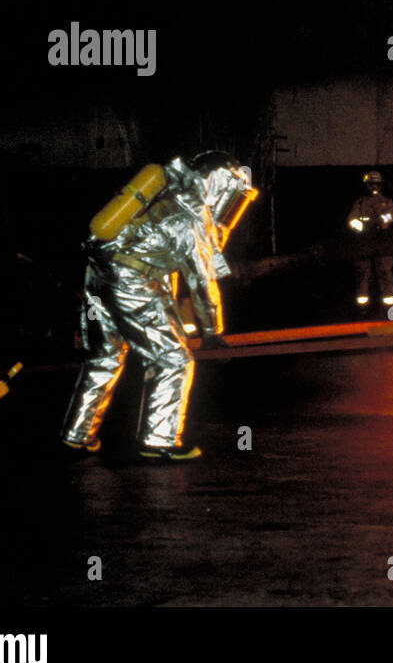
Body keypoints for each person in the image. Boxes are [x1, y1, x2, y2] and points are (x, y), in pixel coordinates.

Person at [60, 151, 255, 461]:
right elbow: (202, 281)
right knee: (173, 360)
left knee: (105, 357)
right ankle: (159, 440)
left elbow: (161, 263)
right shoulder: (193, 214)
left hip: (100, 273)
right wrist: (212, 330)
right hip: (131, 282)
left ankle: (76, 435)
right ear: (218, 183)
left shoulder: (165, 190)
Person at [348, 170, 393, 310]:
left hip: (382, 241)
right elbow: (352, 220)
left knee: (385, 270)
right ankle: (363, 305)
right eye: (371, 184)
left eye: (376, 184)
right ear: (366, 185)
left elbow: (390, 217)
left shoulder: (387, 202)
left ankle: (389, 304)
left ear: (381, 185)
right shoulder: (360, 203)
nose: (374, 187)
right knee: (363, 271)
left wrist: (380, 222)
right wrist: (361, 226)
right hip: (364, 242)